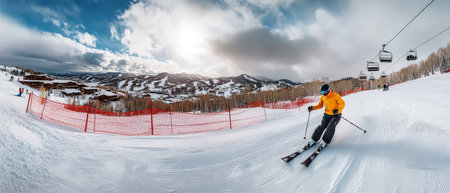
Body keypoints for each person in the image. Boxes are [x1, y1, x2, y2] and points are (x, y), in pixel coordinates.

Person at [305, 84, 345, 150]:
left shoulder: (335, 95)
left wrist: (338, 110)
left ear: (329, 90)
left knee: (331, 126)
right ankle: (313, 139)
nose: (324, 93)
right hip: (327, 115)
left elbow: (342, 104)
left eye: (325, 92)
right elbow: (320, 105)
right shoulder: (323, 97)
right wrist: (312, 108)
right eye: (322, 92)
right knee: (322, 126)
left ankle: (325, 141)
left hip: (336, 115)